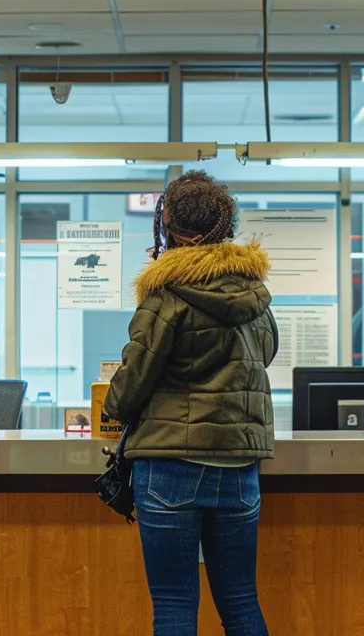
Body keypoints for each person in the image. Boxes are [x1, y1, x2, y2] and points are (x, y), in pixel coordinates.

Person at [104, 170, 277, 636]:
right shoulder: (254, 297)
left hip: (170, 465)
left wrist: (114, 403)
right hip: (239, 467)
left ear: (169, 228)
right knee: (241, 601)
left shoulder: (165, 298)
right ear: (226, 225)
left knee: (176, 604)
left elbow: (128, 391)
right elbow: (267, 355)